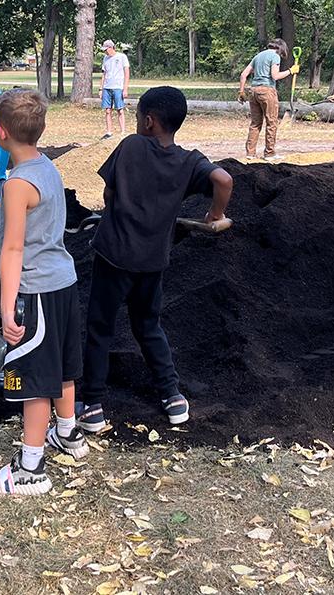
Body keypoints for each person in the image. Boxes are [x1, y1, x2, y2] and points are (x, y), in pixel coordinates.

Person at [78, 86, 233, 432]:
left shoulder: (130, 147)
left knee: (100, 328)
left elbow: (109, 193)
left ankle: (92, 405)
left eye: (136, 118)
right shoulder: (188, 161)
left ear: (148, 121)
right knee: (148, 326)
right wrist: (215, 213)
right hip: (152, 263)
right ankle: (173, 396)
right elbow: (223, 179)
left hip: (114, 257)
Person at [0, 89, 82, 497]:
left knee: (37, 380)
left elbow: (13, 249)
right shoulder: (48, 167)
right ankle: (69, 435)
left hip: (35, 289)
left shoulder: (17, 184)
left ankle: (30, 467)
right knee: (63, 366)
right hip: (64, 282)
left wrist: (7, 309)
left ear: (0, 133)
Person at [238, 38, 298, 159]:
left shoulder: (258, 56)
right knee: (271, 122)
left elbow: (243, 74)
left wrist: (241, 91)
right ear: (280, 48)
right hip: (267, 91)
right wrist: (291, 71)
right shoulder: (275, 56)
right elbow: (275, 76)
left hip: (253, 91)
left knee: (255, 123)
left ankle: (250, 153)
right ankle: (269, 153)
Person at [99, 40, 130, 139]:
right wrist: (101, 89)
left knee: (120, 110)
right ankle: (109, 132)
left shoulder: (121, 57)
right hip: (107, 87)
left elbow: (126, 73)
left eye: (106, 49)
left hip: (118, 87)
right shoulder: (105, 58)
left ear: (111, 47)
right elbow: (104, 74)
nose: (105, 52)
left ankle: (123, 132)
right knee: (108, 110)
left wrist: (125, 89)